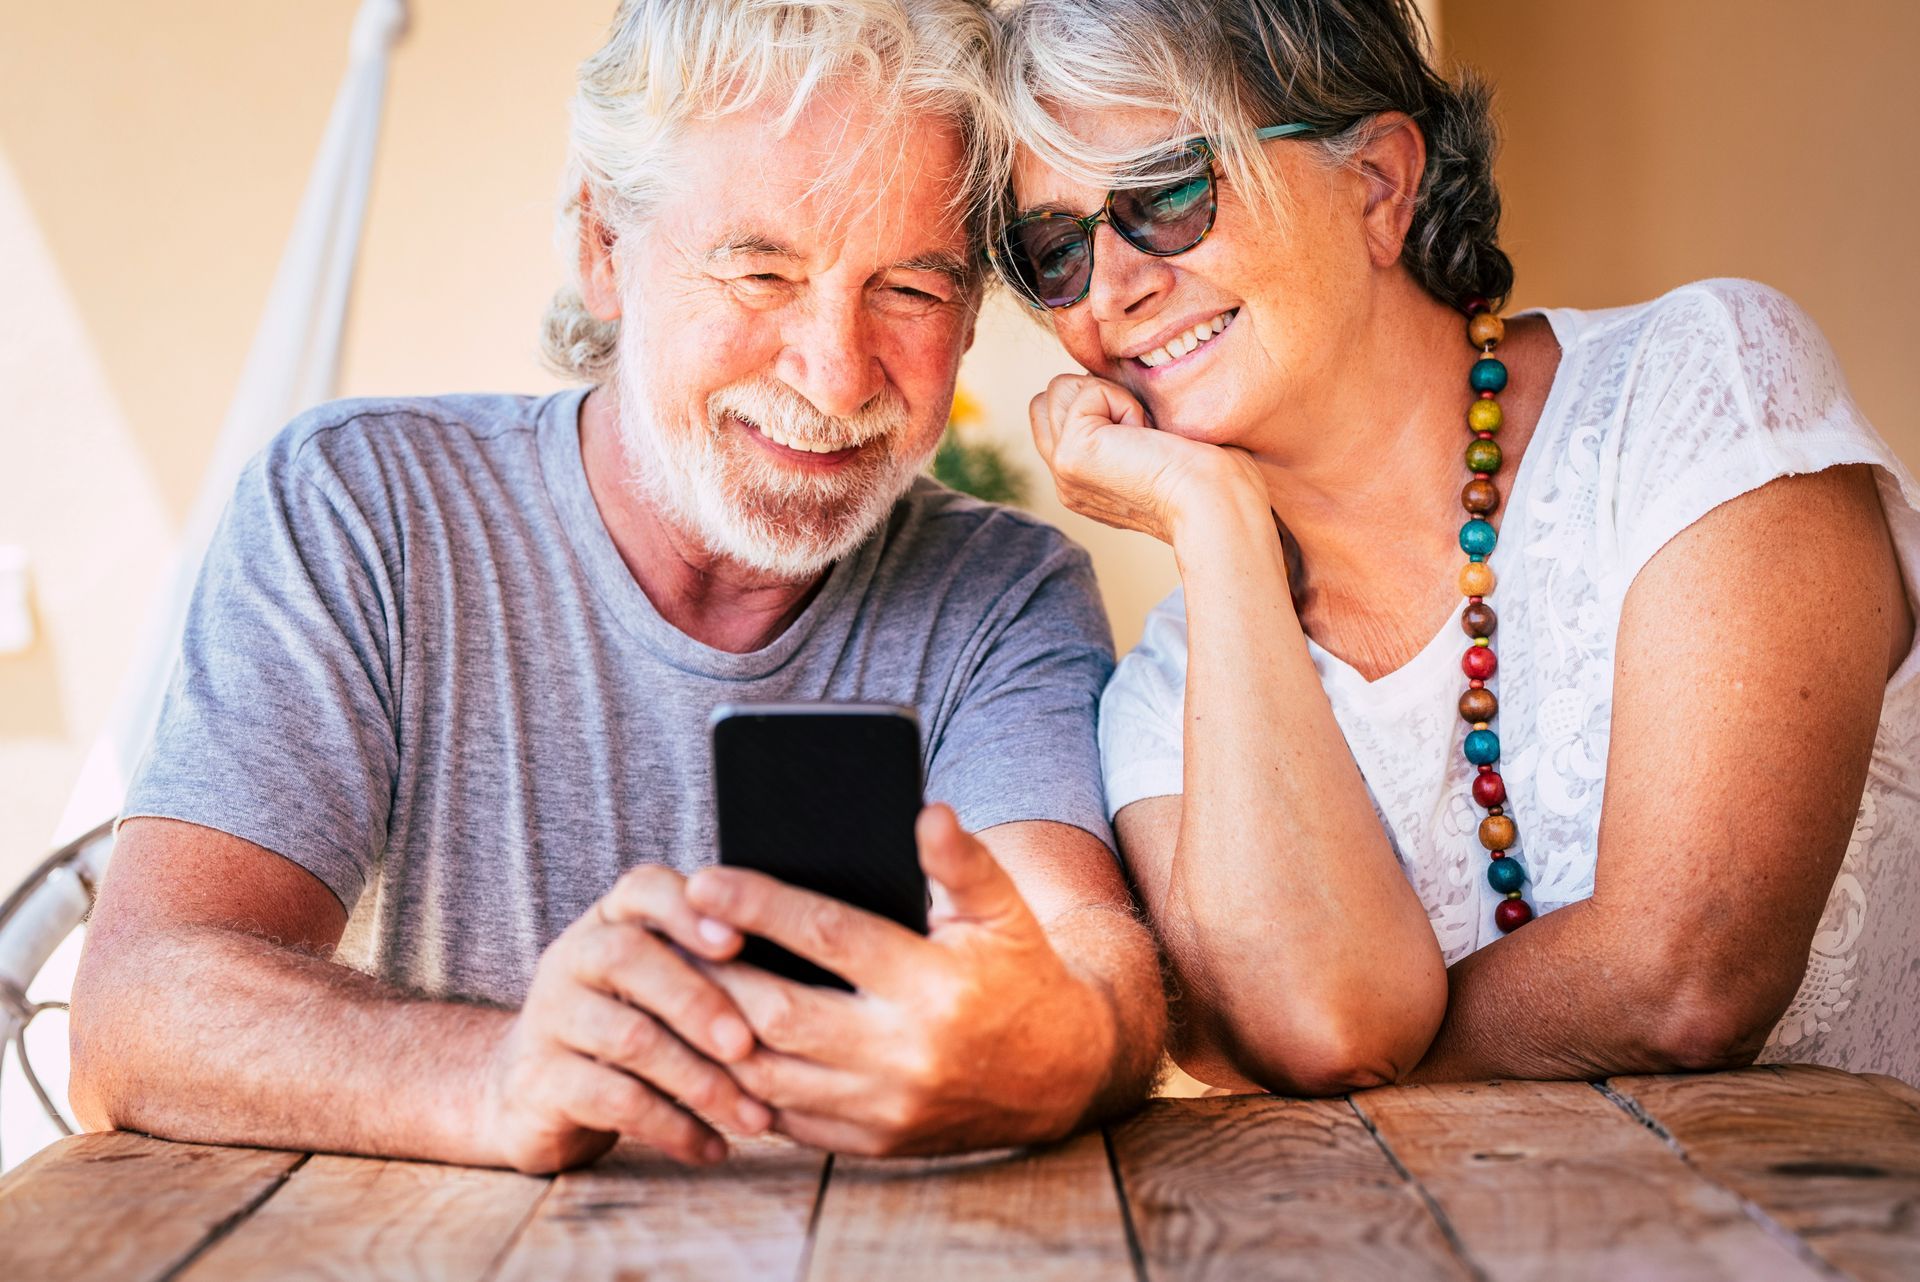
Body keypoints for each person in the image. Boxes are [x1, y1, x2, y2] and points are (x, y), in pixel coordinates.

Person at [68, 0, 1166, 1173]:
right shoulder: (363, 508)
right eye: (760, 272)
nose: (837, 378)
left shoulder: (1002, 591)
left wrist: (1053, 1045)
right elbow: (134, 1010)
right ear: (603, 246)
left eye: (910, 291)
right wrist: (495, 1072)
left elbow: (1086, 951)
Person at [994, 0, 1920, 1091]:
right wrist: (1216, 521)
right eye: (1055, 250)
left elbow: (1687, 981)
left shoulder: (1695, 386)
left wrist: (1367, 1063)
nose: (1111, 290)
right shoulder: (1168, 689)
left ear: (1378, 184)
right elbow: (1314, 1031)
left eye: (1168, 195)